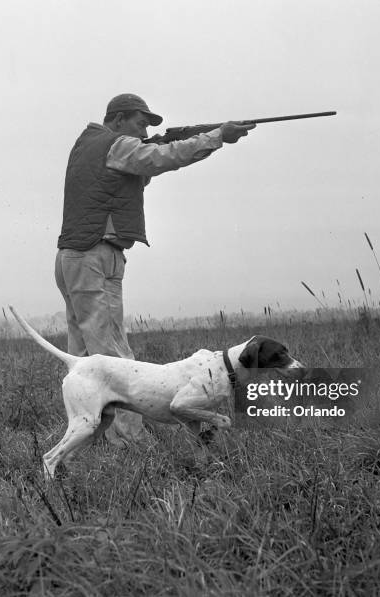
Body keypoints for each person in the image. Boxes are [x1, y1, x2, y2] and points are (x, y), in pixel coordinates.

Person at [55, 93, 255, 445]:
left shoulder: (91, 144)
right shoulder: (117, 145)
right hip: (95, 255)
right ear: (118, 119)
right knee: (115, 360)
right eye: (141, 121)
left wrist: (183, 138)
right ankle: (133, 446)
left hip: (74, 257)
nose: (146, 129)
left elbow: (139, 171)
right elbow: (161, 158)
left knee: (85, 360)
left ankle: (91, 441)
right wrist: (216, 137)